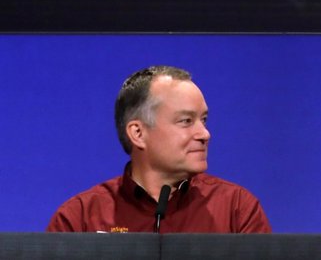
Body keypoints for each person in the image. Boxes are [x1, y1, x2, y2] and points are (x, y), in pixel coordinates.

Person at [47, 65, 271, 233]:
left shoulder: (236, 210)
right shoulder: (80, 219)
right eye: (185, 121)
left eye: (204, 120)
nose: (204, 134)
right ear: (138, 133)